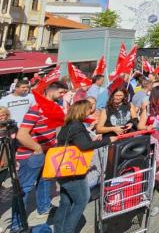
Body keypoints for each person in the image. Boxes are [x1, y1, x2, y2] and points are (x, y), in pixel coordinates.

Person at [52, 100, 116, 233]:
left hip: (64, 169)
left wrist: (91, 139)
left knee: (65, 202)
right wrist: (108, 140)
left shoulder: (70, 124)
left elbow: (79, 143)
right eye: (88, 109)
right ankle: (68, 230)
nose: (90, 111)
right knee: (82, 199)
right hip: (73, 170)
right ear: (82, 110)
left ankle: (59, 229)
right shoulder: (76, 125)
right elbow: (84, 146)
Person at [12, 81, 68, 231]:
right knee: (24, 188)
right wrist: (37, 148)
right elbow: (22, 135)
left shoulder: (51, 108)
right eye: (61, 92)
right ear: (51, 91)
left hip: (45, 152)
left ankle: (44, 207)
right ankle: (17, 224)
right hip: (31, 155)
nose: (63, 96)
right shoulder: (35, 109)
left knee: (45, 181)